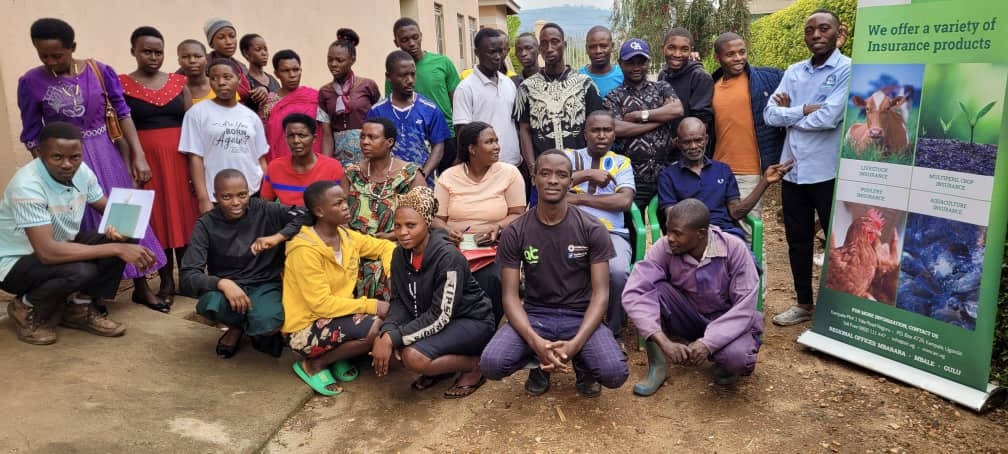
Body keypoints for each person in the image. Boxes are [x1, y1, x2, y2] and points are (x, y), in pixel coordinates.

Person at [18, 18, 167, 311]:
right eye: (43, 56)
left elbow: (123, 113)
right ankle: (91, 296)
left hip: (107, 155)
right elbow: (32, 134)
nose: (50, 62)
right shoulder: (30, 82)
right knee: (85, 224)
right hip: (66, 163)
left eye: (57, 55)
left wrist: (138, 154)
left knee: (123, 218)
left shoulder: (99, 70)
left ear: (72, 47)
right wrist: (49, 175)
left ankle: (141, 286)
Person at [479, 150, 628, 398]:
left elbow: (601, 294)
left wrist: (576, 344)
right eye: (545, 173)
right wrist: (534, 341)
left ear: (571, 181)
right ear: (534, 178)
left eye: (561, 175)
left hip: (580, 314)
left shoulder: (592, 228)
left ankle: (582, 361)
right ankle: (539, 361)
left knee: (614, 373)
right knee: (492, 364)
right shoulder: (516, 231)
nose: (552, 180)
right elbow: (510, 297)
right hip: (536, 314)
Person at [0, 122, 158, 345]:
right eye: (57, 157)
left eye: (74, 157)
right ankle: (25, 306)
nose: (67, 164)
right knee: (81, 271)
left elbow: (107, 208)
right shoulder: (27, 186)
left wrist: (121, 227)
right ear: (40, 153)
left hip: (61, 244)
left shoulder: (81, 171)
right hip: (14, 263)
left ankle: (78, 307)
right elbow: (47, 252)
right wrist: (116, 248)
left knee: (126, 233)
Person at [764, 9, 851, 326]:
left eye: (824, 28)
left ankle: (839, 313)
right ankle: (804, 304)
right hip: (793, 170)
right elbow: (769, 115)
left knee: (838, 243)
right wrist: (804, 110)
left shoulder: (847, 69)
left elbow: (829, 117)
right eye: (810, 30)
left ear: (838, 32)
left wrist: (791, 115)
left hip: (828, 172)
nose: (816, 35)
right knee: (797, 241)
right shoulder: (794, 71)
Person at [622, 199, 762, 395]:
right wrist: (663, 341)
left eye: (677, 233)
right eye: (668, 230)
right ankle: (658, 367)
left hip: (726, 319)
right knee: (653, 290)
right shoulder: (664, 246)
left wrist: (708, 343)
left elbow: (745, 307)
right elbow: (635, 291)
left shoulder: (734, 249)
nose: (670, 238)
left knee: (737, 358)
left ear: (701, 234)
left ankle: (724, 363)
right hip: (688, 314)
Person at [372, 186, 496, 398]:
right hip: (434, 319)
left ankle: (474, 366)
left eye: (411, 225)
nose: (402, 232)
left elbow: (441, 315)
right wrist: (387, 333)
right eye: (398, 226)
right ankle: (441, 367)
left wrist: (394, 337)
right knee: (389, 344)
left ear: (427, 223)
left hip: (471, 322)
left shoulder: (448, 257)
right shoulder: (400, 255)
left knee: (413, 357)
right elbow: (399, 301)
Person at [282, 181, 395, 396]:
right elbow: (320, 305)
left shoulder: (345, 236)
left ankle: (336, 356)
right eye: (338, 204)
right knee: (375, 327)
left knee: (381, 319)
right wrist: (372, 305)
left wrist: (391, 275)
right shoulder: (304, 250)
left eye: (345, 201)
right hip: (304, 328)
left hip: (337, 315)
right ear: (319, 211)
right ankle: (314, 364)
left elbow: (385, 246)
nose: (345, 207)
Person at [180, 169, 308, 358]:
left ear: (249, 192)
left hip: (264, 284)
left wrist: (278, 237)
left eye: (242, 195)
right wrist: (222, 283)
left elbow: (307, 214)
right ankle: (236, 327)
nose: (236, 202)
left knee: (270, 321)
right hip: (228, 289)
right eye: (227, 197)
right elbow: (188, 275)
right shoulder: (206, 224)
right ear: (215, 196)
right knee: (210, 303)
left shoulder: (264, 209)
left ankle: (249, 326)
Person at [120, 26, 198, 312]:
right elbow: (121, 128)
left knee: (184, 215)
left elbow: (191, 123)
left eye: (158, 52)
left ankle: (186, 277)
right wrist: (130, 163)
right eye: (146, 51)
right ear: (134, 51)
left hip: (180, 160)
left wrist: (195, 163)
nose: (153, 57)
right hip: (145, 162)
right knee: (158, 218)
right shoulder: (121, 85)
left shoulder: (179, 82)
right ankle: (165, 280)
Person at [433, 122, 526, 323]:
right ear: (472, 149)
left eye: (496, 141)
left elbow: (519, 214)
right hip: (455, 244)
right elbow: (436, 219)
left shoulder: (509, 173)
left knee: (494, 276)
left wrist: (497, 226)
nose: (497, 146)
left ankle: (489, 326)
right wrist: (448, 231)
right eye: (489, 142)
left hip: (494, 244)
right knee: (448, 270)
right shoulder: (449, 176)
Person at [658, 118, 792, 241]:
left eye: (698, 140)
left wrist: (764, 182)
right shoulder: (668, 176)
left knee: (744, 257)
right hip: (691, 237)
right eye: (687, 142)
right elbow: (672, 218)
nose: (693, 146)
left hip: (724, 234)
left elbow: (736, 213)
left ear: (706, 139)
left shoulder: (722, 170)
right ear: (679, 143)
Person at [564, 110, 635, 335]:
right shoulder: (567, 157)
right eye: (596, 130)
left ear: (614, 134)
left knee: (618, 272)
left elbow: (624, 201)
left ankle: (613, 331)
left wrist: (579, 199)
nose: (602, 135)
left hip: (611, 233)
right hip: (569, 230)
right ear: (585, 134)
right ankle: (568, 326)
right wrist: (587, 174)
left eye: (607, 130)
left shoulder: (622, 163)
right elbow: (550, 184)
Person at [711, 32, 785, 238]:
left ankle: (755, 262)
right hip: (718, 169)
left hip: (749, 172)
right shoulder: (711, 86)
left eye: (742, 52)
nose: (738, 58)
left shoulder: (768, 79)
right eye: (730, 54)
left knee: (748, 232)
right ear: (717, 57)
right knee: (718, 230)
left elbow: (805, 83)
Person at [343, 117, 425, 299]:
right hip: (355, 246)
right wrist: (354, 241)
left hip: (397, 243)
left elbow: (424, 217)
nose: (365, 142)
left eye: (372, 137)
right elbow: (338, 215)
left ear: (389, 142)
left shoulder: (409, 174)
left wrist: (392, 235)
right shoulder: (351, 173)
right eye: (363, 136)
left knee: (391, 263)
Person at [179, 58, 269, 214]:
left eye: (227, 77)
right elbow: (195, 158)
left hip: (252, 192)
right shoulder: (196, 113)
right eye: (214, 78)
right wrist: (203, 198)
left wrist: (266, 193)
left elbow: (260, 158)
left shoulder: (251, 117)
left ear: (239, 79)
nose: (221, 82)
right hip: (216, 195)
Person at [603, 38, 683, 210]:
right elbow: (617, 128)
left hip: (665, 173)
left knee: (670, 222)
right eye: (630, 63)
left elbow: (676, 110)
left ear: (648, 62)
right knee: (632, 224)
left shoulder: (662, 88)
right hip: (630, 177)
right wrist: (660, 119)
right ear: (620, 64)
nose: (636, 67)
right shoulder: (613, 97)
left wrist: (639, 116)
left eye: (641, 62)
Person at [514, 23, 603, 176]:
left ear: (564, 45)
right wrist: (532, 168)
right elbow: (524, 130)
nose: (549, 48)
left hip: (580, 169)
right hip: (543, 172)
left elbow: (596, 127)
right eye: (544, 43)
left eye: (555, 42)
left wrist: (592, 166)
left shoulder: (585, 84)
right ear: (539, 49)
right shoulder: (527, 88)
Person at [389, 17, 461, 174]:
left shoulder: (443, 63)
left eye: (415, 37)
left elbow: (458, 105)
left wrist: (460, 145)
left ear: (421, 36)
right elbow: (393, 107)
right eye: (405, 40)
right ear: (396, 42)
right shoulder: (395, 72)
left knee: (447, 183)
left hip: (447, 136)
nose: (412, 43)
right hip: (413, 139)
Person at [368, 50, 449, 182]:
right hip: (387, 185)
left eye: (413, 74)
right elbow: (371, 148)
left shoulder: (430, 109)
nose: (410, 80)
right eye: (403, 75)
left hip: (422, 184)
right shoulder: (377, 112)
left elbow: (438, 146)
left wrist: (422, 176)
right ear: (388, 77)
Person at [453, 28, 521, 167]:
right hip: (484, 167)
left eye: (501, 51)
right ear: (477, 52)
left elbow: (515, 124)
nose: (498, 57)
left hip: (514, 165)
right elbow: (462, 133)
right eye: (491, 52)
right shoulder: (465, 88)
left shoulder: (508, 83)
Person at [319, 36, 381, 166]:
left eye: (339, 60)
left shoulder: (368, 85)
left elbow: (382, 122)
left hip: (369, 157)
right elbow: (327, 135)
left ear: (352, 60)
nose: (333, 64)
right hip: (340, 159)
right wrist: (325, 165)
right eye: (330, 59)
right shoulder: (325, 92)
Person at [258, 49, 327, 162]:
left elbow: (326, 133)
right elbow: (262, 139)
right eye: (286, 71)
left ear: (301, 70)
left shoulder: (317, 98)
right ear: (276, 73)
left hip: (313, 162)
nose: (292, 75)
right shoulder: (268, 102)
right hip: (280, 163)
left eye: (295, 70)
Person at [261, 113, 345, 205]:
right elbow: (264, 205)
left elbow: (342, 206)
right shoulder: (275, 167)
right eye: (291, 135)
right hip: (286, 214)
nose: (296, 141)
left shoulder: (333, 167)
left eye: (302, 135)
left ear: (314, 138)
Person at [656, 28, 714, 141]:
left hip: (688, 145)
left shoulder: (700, 77)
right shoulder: (663, 75)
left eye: (684, 49)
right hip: (665, 144)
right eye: (671, 48)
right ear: (662, 48)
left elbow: (702, 121)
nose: (677, 54)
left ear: (691, 51)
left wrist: (678, 143)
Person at [203, 18, 262, 105]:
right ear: (211, 44)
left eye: (232, 36)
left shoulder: (241, 67)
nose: (229, 42)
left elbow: (251, 90)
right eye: (221, 37)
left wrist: (262, 90)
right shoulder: (203, 65)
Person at [239, 33, 279, 114]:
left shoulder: (273, 80)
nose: (264, 53)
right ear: (246, 53)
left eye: (265, 49)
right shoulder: (245, 82)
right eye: (258, 49)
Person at [578, 26, 623, 97]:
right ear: (586, 49)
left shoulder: (623, 76)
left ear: (612, 46)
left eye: (603, 46)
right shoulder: (578, 78)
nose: (598, 51)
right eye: (592, 47)